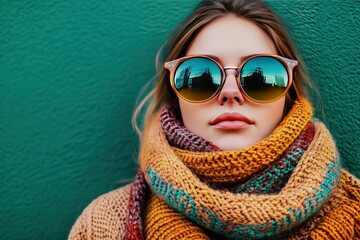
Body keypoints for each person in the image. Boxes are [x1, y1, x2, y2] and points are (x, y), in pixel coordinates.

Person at [68, 0, 359, 239]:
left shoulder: (354, 210)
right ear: (175, 93)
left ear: (288, 92)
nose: (231, 93)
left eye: (261, 76)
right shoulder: (103, 225)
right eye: (201, 77)